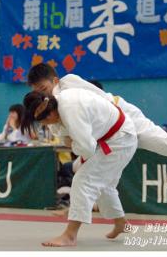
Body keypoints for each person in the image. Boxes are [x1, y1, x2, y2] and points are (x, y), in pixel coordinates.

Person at [27, 63, 167, 158]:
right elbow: (64, 134)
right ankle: (112, 220)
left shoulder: (69, 84)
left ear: (55, 80)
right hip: (107, 134)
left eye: (44, 89)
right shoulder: (53, 109)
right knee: (85, 170)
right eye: (38, 93)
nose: (44, 97)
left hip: (122, 115)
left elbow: (99, 101)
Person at [22, 88, 138, 247]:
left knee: (83, 180)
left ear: (49, 113)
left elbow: (86, 148)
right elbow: (65, 137)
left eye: (42, 120)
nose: (42, 124)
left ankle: (70, 235)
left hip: (120, 139)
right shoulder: (54, 106)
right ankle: (121, 223)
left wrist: (72, 143)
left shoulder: (71, 108)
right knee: (103, 185)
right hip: (110, 138)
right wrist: (70, 142)